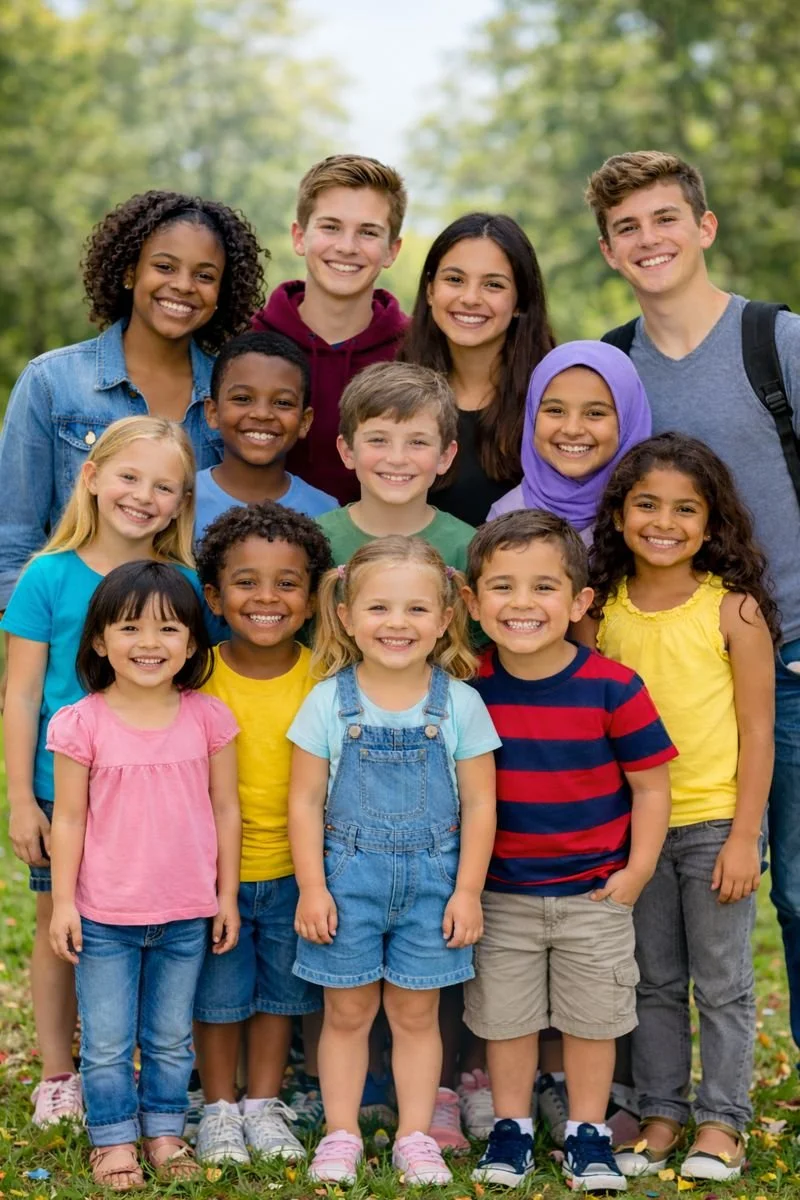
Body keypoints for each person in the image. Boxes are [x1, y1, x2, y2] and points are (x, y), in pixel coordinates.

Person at [584, 150, 800, 1052]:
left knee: (797, 882)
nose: (649, 239)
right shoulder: (616, 367)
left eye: (665, 218)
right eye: (627, 228)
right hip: (667, 677)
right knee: (659, 890)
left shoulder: (775, 341)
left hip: (787, 659)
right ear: (608, 250)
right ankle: (654, 1088)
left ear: (703, 227)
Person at [1, 416, 212, 1126]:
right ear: (90, 477)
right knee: (63, 929)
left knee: (157, 929)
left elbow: (194, 693)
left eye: (164, 486)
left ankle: (156, 1067)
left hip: (156, 798)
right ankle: (61, 1073)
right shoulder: (48, 575)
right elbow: (23, 692)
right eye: (129, 476)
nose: (143, 496)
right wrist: (21, 801)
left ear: (182, 502)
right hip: (68, 794)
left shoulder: (183, 581)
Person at [462, 510, 675, 1193]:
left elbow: (650, 787)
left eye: (543, 588)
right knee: (507, 1017)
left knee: (592, 1018)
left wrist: (637, 871)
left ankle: (588, 1133)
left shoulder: (614, 686)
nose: (522, 604)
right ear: (471, 601)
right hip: (502, 893)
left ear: (581, 601)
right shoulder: (468, 693)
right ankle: (512, 1127)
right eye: (502, 587)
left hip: (594, 892)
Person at [584, 433, 777, 1182]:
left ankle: (723, 1122)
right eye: (647, 504)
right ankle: (661, 1111)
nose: (664, 522)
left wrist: (744, 836)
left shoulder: (734, 612)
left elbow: (758, 730)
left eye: (685, 509)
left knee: (722, 981)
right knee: (653, 979)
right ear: (621, 513)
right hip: (634, 830)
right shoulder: (601, 613)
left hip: (712, 825)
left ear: (712, 522)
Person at [287, 536, 500, 1185]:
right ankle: (342, 1131)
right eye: (380, 608)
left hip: (434, 883)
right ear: (348, 616)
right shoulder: (329, 699)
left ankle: (414, 1134)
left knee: (415, 1014)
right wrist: (312, 888)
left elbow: (481, 806)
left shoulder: (459, 702)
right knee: (346, 1013)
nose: (398, 624)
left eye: (415, 610)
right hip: (347, 878)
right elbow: (303, 800)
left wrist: (467, 892)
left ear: (443, 620)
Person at [47, 561, 241, 1190]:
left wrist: (226, 896)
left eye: (168, 629)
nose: (150, 644)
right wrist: (64, 905)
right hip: (105, 914)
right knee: (105, 1040)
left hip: (186, 911)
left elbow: (225, 809)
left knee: (168, 1037)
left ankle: (163, 1131)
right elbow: (69, 820)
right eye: (130, 628)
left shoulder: (208, 718)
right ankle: (112, 1139)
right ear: (100, 640)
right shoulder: (82, 723)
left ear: (192, 642)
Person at [0, 190, 265, 606]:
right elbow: (12, 540)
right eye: (164, 266)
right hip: (71, 642)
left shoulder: (234, 398)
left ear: (221, 294)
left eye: (205, 275)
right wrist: (29, 654)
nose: (182, 285)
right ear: (129, 272)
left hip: (190, 649)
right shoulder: (52, 381)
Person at [190, 503, 333, 1165]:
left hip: (294, 874)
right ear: (215, 597)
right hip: (209, 876)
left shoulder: (326, 682)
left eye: (287, 583)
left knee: (279, 995)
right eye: (247, 582)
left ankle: (263, 1104)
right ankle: (218, 1108)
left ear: (311, 599)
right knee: (218, 999)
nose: (267, 598)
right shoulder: (195, 680)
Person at [251, 154, 407, 504]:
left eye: (368, 232)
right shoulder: (246, 345)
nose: (347, 247)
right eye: (330, 227)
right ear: (299, 236)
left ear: (391, 250)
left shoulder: (419, 352)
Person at [401, 213, 555, 526]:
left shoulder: (554, 398)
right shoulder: (396, 392)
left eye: (493, 285)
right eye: (454, 280)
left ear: (520, 302)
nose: (470, 298)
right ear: (430, 290)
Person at [316, 361, 475, 572]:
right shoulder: (314, 541)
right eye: (378, 440)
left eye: (418, 442)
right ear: (348, 451)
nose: (397, 458)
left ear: (445, 456)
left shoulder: (469, 549)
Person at [487, 341, 652, 540]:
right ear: (532, 416)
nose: (572, 429)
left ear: (629, 421)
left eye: (595, 413)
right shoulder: (505, 518)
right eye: (555, 410)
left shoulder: (654, 516)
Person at [195, 331, 337, 542]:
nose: (262, 414)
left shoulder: (327, 513)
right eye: (243, 398)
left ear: (304, 421)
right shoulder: (182, 501)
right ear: (212, 412)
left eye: (282, 402)